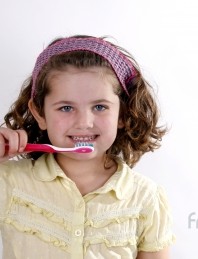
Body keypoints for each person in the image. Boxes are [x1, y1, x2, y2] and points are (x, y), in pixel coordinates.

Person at [0, 35, 175, 258]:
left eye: (100, 107)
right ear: (40, 114)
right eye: (65, 108)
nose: (84, 123)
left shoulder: (146, 197)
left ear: (122, 112)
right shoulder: (7, 182)